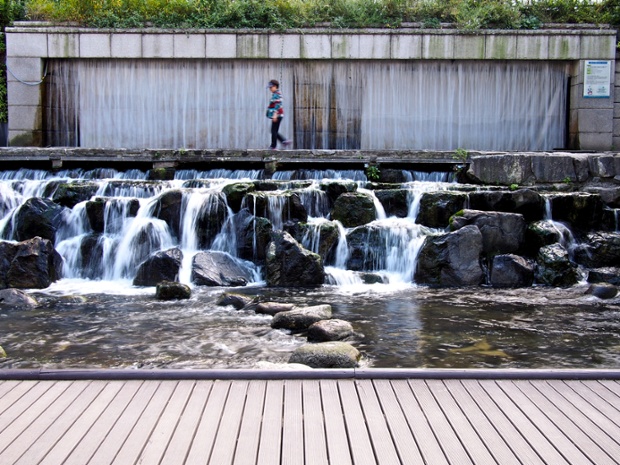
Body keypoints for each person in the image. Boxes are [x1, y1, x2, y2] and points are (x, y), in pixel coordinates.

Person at [266, 79, 292, 150]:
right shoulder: (276, 94)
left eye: (271, 87)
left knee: (273, 131)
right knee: (274, 130)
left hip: (277, 115)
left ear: (275, 86)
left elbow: (278, 104)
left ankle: (273, 146)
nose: (270, 89)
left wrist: (275, 114)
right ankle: (283, 141)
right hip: (278, 115)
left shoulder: (277, 94)